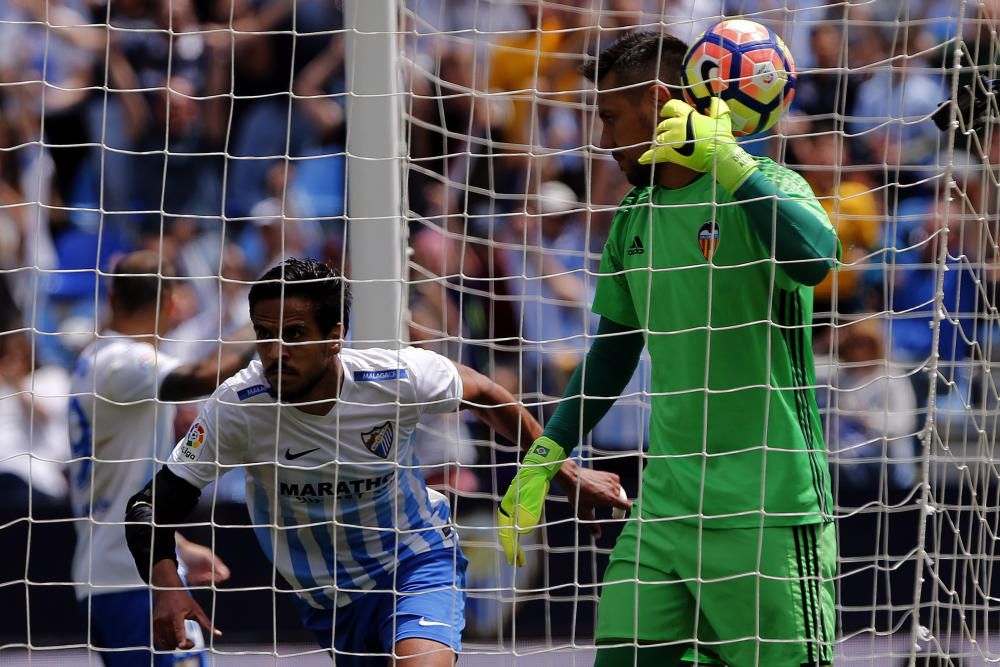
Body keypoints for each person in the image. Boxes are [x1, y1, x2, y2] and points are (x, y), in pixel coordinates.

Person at [497, 31, 840, 666]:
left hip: (766, 507)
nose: (601, 139)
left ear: (657, 101)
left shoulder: (766, 185)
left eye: (607, 116)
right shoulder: (634, 215)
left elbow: (816, 260)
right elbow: (612, 356)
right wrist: (544, 459)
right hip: (665, 506)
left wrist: (730, 164)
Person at [124, 257, 625, 667]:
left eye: (294, 334)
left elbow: (487, 393)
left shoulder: (393, 377)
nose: (275, 352)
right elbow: (150, 505)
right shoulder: (238, 407)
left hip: (417, 561)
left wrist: (564, 470)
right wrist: (167, 588)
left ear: (335, 334)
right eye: (265, 334)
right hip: (329, 600)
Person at [69, 250, 253, 666]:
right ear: (171, 305)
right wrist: (267, 318)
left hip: (110, 571)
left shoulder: (90, 361)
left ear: (112, 298)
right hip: (134, 577)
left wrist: (180, 544)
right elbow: (205, 374)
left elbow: (122, 480)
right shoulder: (124, 361)